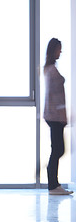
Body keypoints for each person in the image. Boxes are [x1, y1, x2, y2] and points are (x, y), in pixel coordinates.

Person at [43, 38, 73, 195]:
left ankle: (54, 184)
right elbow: (53, 96)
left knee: (57, 149)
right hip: (55, 116)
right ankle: (53, 185)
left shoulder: (50, 68)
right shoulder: (51, 70)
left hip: (54, 116)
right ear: (53, 50)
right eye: (58, 49)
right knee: (58, 149)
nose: (60, 52)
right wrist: (61, 115)